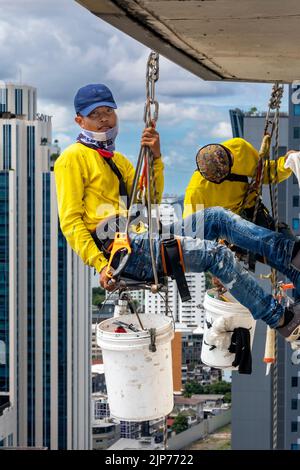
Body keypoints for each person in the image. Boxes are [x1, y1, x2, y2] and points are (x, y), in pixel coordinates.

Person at [54, 84, 300, 344]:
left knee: (217, 217)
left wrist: (156, 157)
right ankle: (282, 319)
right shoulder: (72, 158)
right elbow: (70, 221)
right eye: (95, 115)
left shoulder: (118, 161)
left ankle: (293, 259)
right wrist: (101, 264)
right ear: (79, 120)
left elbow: (150, 201)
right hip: (123, 252)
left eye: (108, 112)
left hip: (142, 238)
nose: (104, 119)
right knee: (216, 254)